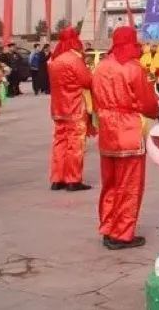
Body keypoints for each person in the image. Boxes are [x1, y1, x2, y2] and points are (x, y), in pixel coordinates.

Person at [91, 27, 159, 249]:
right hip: (129, 130)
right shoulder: (133, 68)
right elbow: (147, 102)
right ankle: (122, 233)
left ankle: (108, 227)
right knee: (129, 185)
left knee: (110, 183)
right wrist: (157, 113)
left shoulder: (100, 67)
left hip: (107, 130)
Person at [48, 27, 95, 192]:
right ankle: (73, 179)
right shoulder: (75, 60)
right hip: (74, 107)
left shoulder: (55, 60)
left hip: (58, 108)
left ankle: (57, 178)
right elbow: (87, 81)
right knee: (75, 143)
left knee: (60, 142)